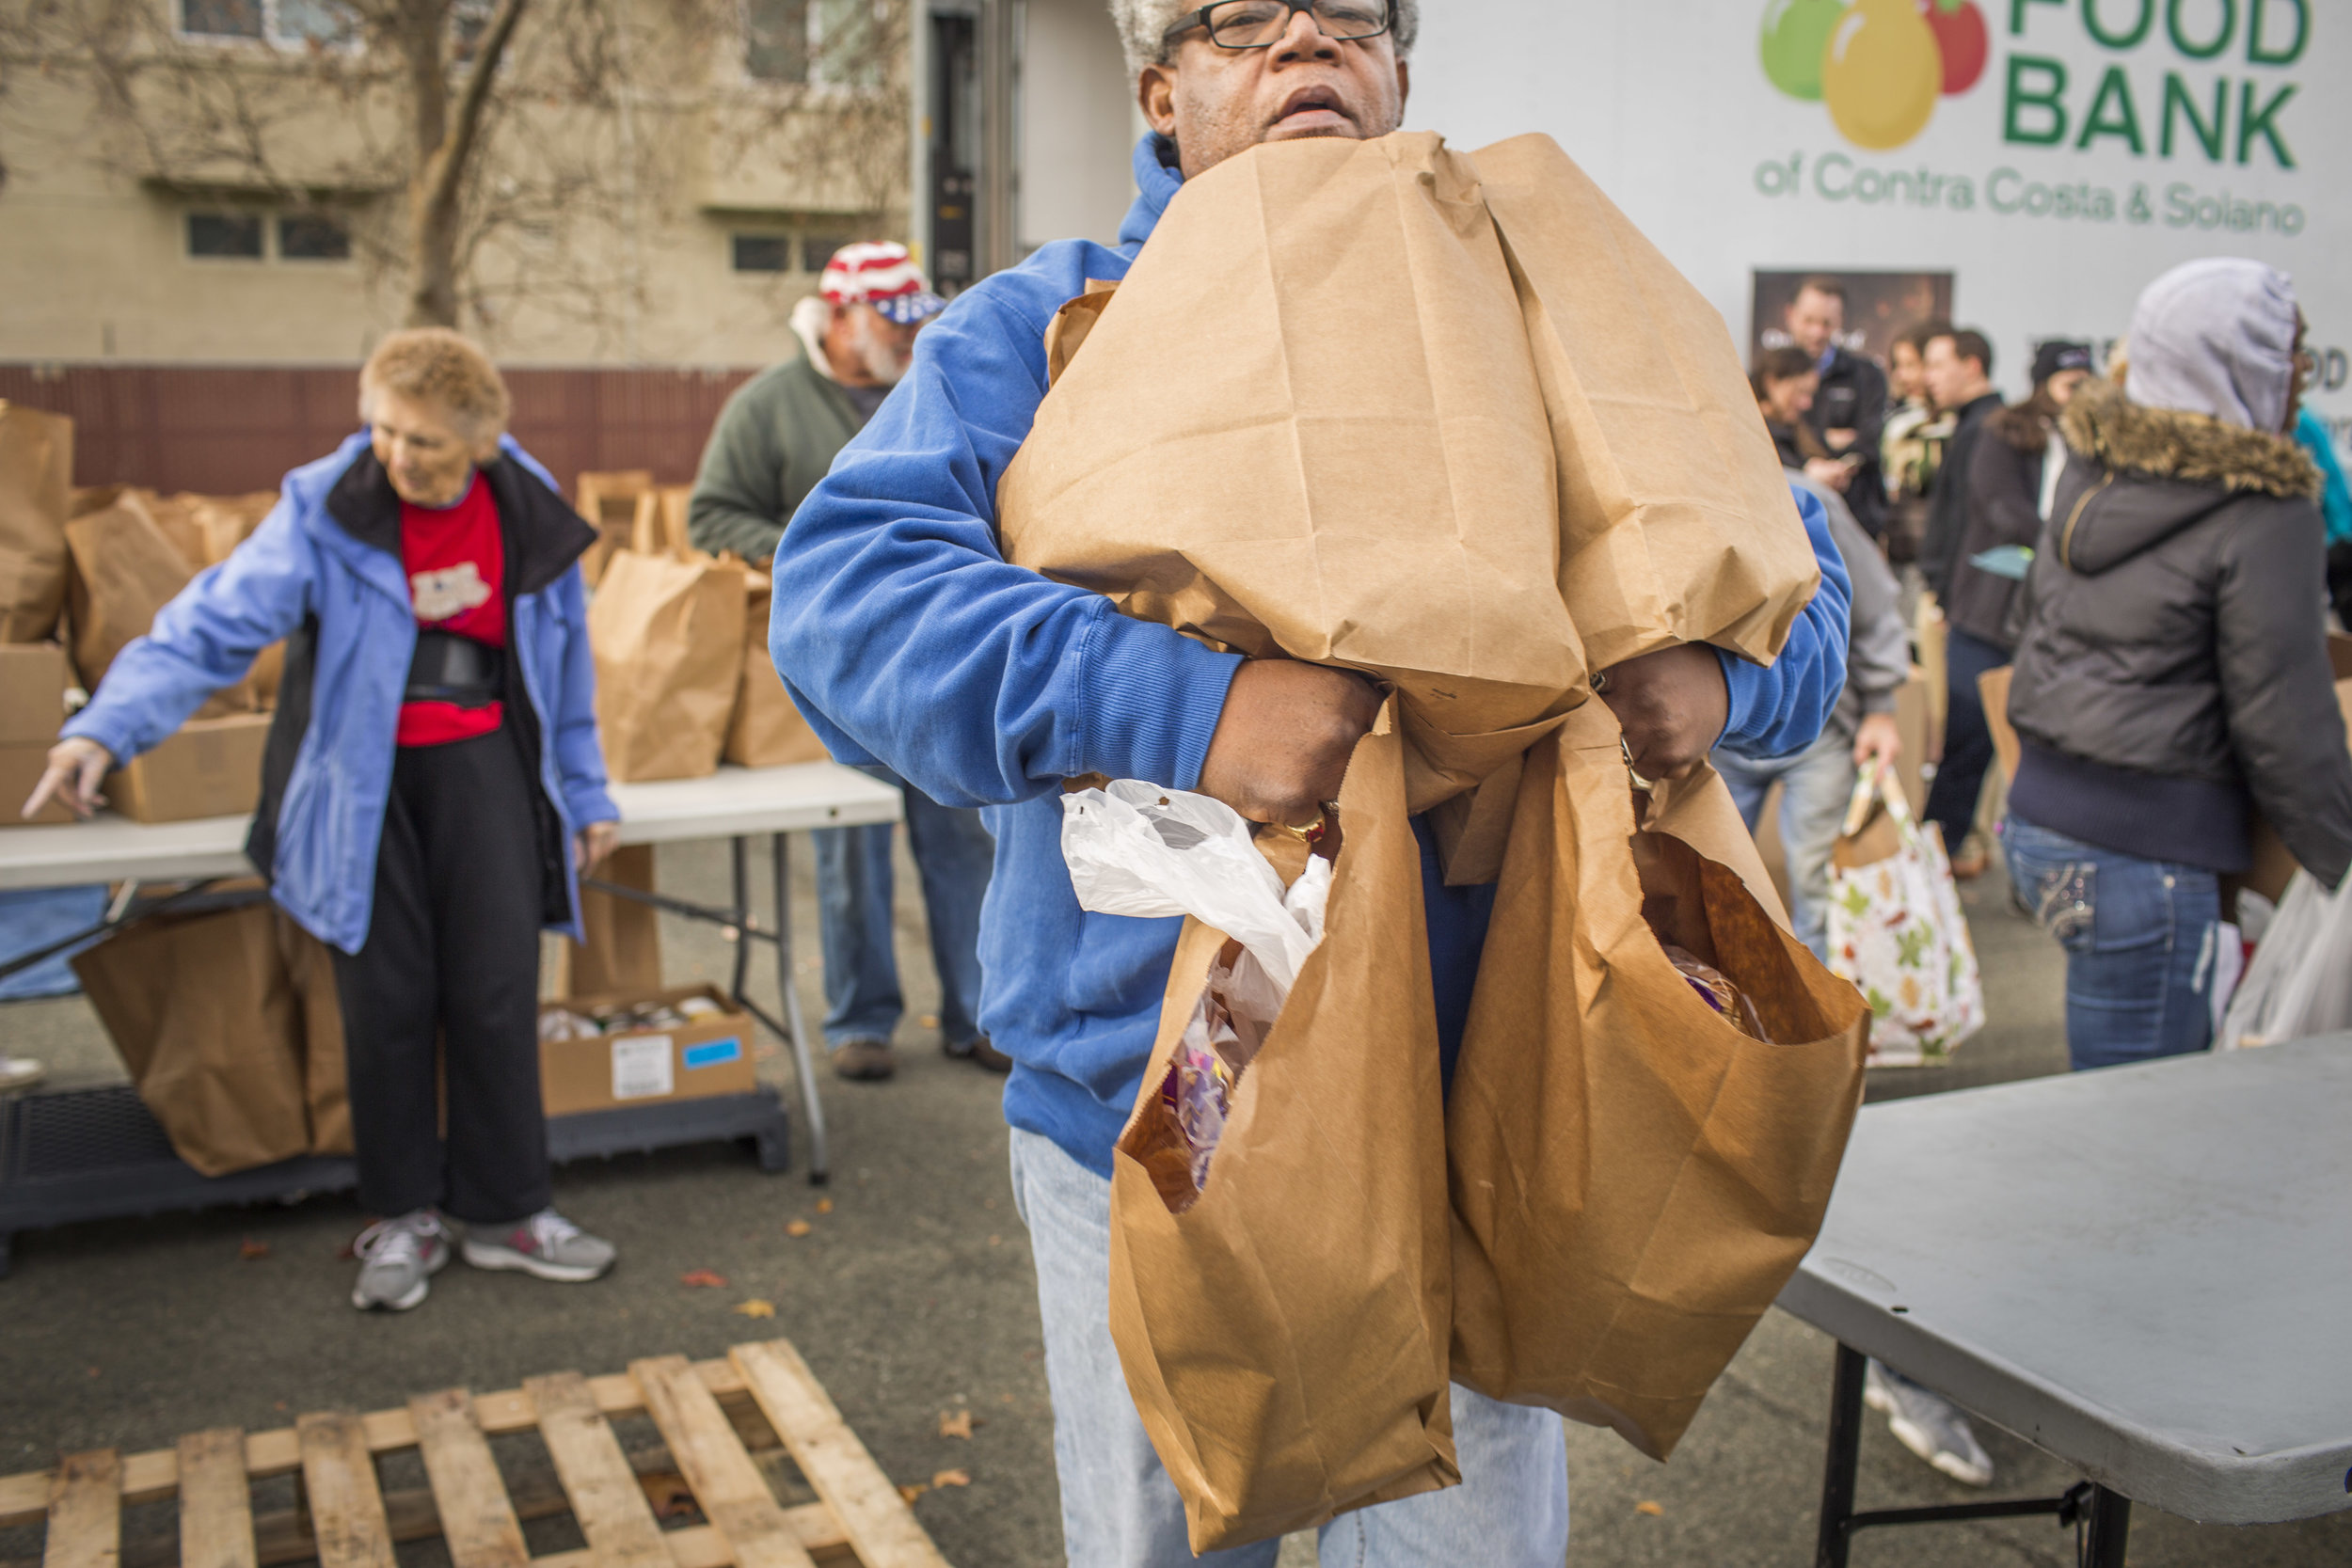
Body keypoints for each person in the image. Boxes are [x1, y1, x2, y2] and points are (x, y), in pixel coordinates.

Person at [765, 1, 1853, 1560]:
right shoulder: (1059, 322)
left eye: (1347, 17)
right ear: (1162, 89)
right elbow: (850, 605)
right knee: (1175, 1534)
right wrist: (1191, 707)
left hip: (1493, 1097)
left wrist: (1731, 681)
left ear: (1402, 68)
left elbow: (1805, 583)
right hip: (1167, 1098)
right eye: (1236, 25)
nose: (1303, 48)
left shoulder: (1530, 298)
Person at [23, 329, 622, 1313]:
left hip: (487, 770)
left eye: (424, 440)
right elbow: (208, 624)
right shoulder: (327, 507)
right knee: (384, 1002)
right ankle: (403, 1216)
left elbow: (564, 670)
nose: (397, 456)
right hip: (362, 781)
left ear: (479, 441)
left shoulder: (525, 509)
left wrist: (587, 791)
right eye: (382, 428)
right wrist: (102, 731)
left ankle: (509, 1212)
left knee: (496, 992)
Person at [2005, 259, 2352, 1070]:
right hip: (2146, 855)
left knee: (2113, 1079)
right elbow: (2282, 720)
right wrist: (2341, 856)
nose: (2301, 372)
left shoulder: (2092, 467)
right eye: (2286, 350)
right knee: (2143, 1117)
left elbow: (2041, 625)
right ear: (2242, 366)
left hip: (2043, 825)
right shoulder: (2265, 511)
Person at [688, 244, 1003, 1082]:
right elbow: (711, 515)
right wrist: (806, 553)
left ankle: (980, 1015)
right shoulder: (768, 407)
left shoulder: (937, 388)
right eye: (891, 320)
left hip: (940, 662)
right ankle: (860, 1020)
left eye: (915, 318)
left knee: (966, 841)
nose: (910, 334)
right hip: (836, 672)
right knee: (851, 851)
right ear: (838, 318)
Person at [1718, 368, 1907, 962]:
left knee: (1817, 888)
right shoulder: (1693, 505)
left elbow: (1875, 606)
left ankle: (1820, 1030)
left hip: (1821, 735)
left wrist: (1881, 709)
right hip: (1719, 737)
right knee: (1710, 882)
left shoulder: (1808, 500)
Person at [1915, 326, 2005, 873]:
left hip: (1972, 613)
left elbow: (1990, 528)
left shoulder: (1990, 430)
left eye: (1938, 364)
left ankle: (1943, 850)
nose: (1929, 377)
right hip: (1963, 605)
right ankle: (1951, 845)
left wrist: (1955, 598)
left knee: (1963, 733)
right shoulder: (1974, 427)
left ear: (1971, 365)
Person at [1784, 276, 1888, 538]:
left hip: (1853, 520)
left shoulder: (1867, 375)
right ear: (1791, 316)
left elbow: (1870, 441)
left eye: (1826, 323)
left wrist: (1821, 460)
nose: (1817, 333)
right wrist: (1809, 467)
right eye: (1809, 321)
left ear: (1840, 322)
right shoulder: (1767, 376)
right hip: (1788, 521)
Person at [1879, 319, 1956, 566]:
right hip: (1898, 549)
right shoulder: (1896, 420)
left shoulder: (1956, 425)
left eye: (1911, 365)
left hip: (1936, 553)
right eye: (1898, 365)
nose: (1901, 375)